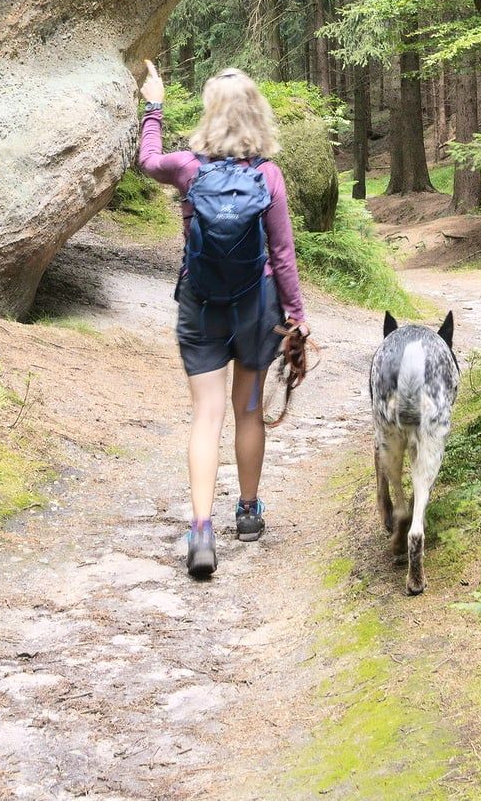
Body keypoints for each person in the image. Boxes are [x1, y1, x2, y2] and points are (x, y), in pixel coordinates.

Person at [135, 60, 309, 578]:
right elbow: (282, 255)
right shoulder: (267, 175)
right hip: (256, 310)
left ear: (211, 114)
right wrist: (296, 318)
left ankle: (202, 528)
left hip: (201, 305)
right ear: (257, 115)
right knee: (248, 410)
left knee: (206, 416)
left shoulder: (188, 168)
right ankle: (250, 511)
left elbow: (146, 160)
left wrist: (154, 104)